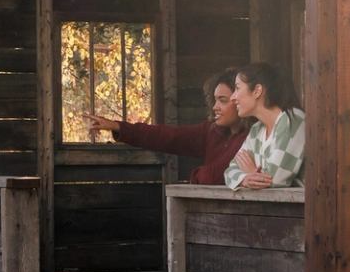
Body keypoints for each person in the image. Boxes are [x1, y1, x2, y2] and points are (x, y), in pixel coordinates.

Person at [88, 68, 250, 185]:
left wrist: (195, 176)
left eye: (222, 100)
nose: (215, 107)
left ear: (240, 100)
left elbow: (213, 176)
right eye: (214, 100)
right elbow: (167, 136)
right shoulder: (211, 131)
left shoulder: (250, 137)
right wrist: (119, 127)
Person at [222, 61, 306, 191]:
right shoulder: (257, 129)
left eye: (237, 88)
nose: (233, 97)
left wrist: (250, 172)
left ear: (257, 91)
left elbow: (275, 178)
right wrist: (245, 178)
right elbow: (229, 171)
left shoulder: (294, 119)